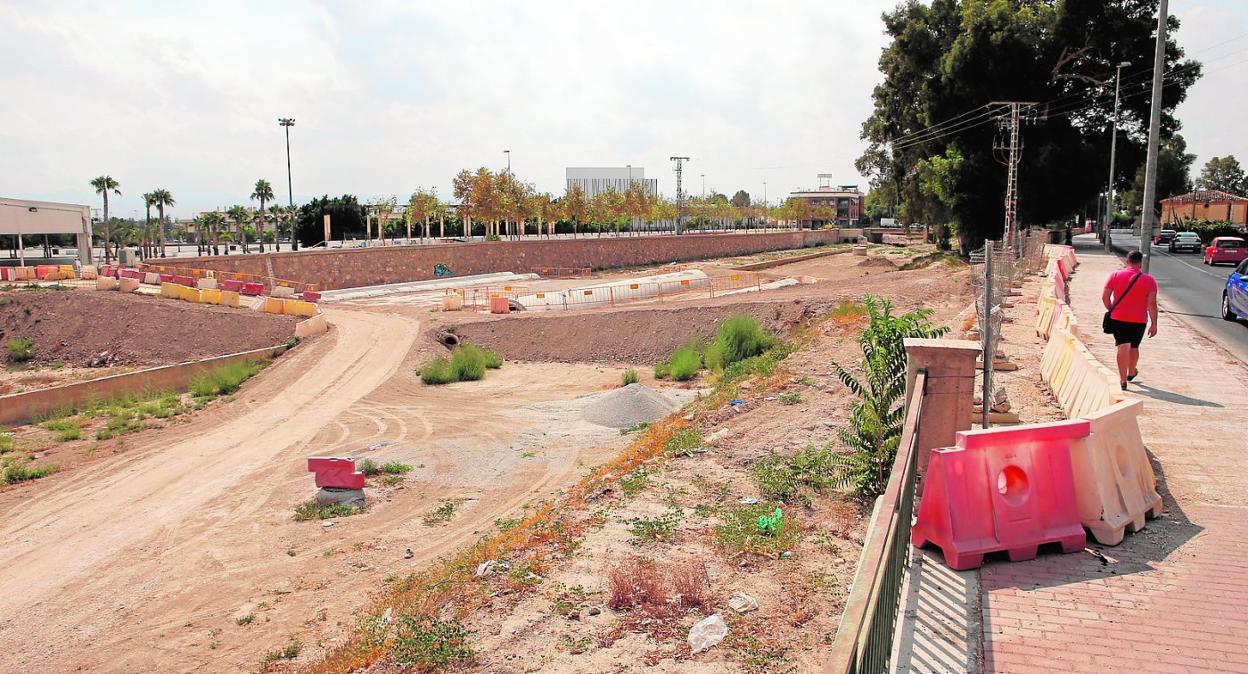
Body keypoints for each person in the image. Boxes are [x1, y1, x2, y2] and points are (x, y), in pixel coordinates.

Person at [1102, 250, 1158, 390]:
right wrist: (1154, 324)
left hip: (1119, 318)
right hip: (1139, 320)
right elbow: (1152, 304)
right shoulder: (1149, 280)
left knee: (1122, 346)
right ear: (1140, 263)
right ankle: (1131, 371)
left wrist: (1111, 309)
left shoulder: (1115, 275)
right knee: (1134, 346)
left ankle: (1122, 380)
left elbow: (1105, 297)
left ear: (1127, 261)